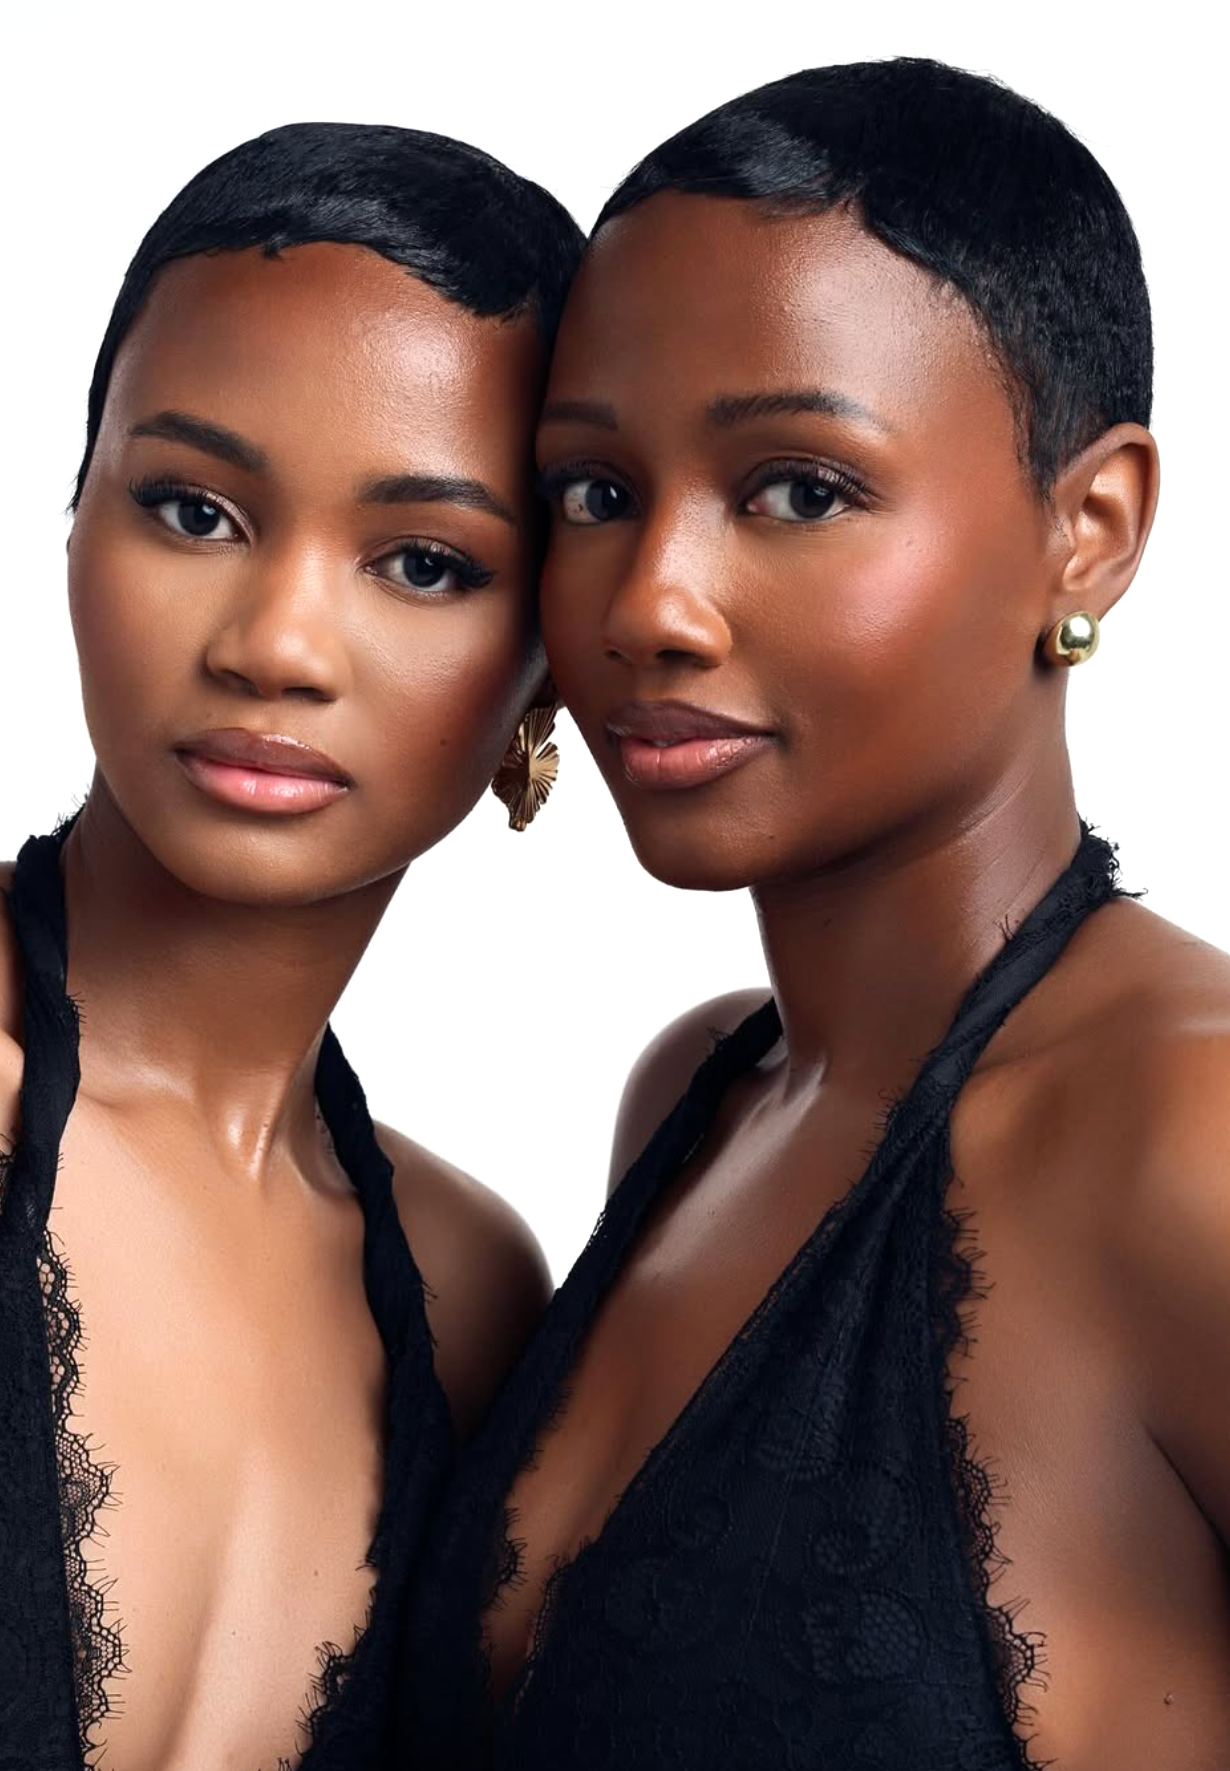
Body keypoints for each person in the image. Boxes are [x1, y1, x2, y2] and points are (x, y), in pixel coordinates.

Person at [402, 59, 1230, 1770]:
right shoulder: (695, 1099)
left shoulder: (1190, 1140)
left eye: (797, 487)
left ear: (1090, 529)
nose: (650, 604)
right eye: (592, 491)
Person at [0, 121, 581, 1771]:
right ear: (72, 521)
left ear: (549, 669)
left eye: (423, 562)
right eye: (191, 509)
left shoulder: (467, 1294)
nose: (276, 643)